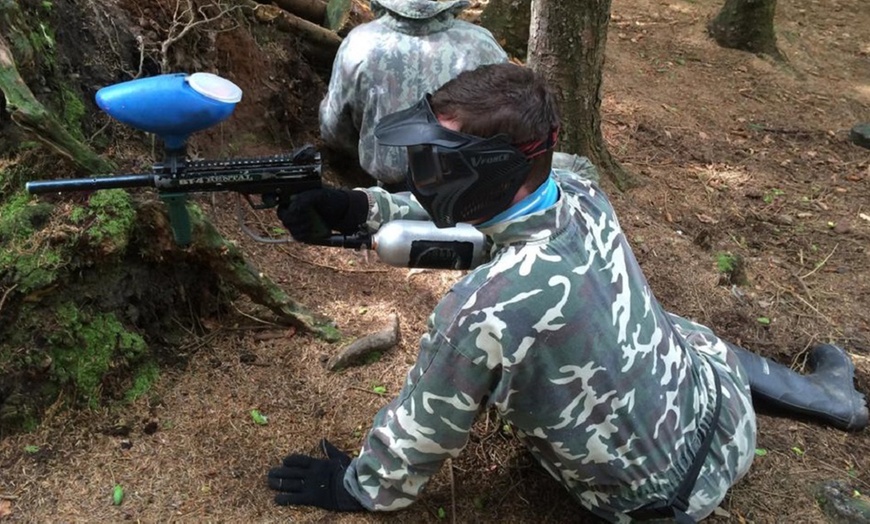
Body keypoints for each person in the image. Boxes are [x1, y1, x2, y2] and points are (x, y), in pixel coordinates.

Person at [268, 63, 868, 522]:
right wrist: (360, 208)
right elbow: (499, 236)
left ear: (495, 169)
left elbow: (422, 433)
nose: (422, 172)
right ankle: (832, 401)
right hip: (713, 412)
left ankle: (835, 400)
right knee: (675, 330)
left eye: (437, 161)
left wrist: (353, 487)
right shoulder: (577, 187)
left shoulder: (479, 313)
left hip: (653, 503)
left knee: (675, 330)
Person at [318, 0, 509, 192]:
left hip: (388, 196)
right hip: (470, 192)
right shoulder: (483, 46)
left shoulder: (358, 43)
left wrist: (366, 148)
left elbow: (333, 129)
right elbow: (509, 126)